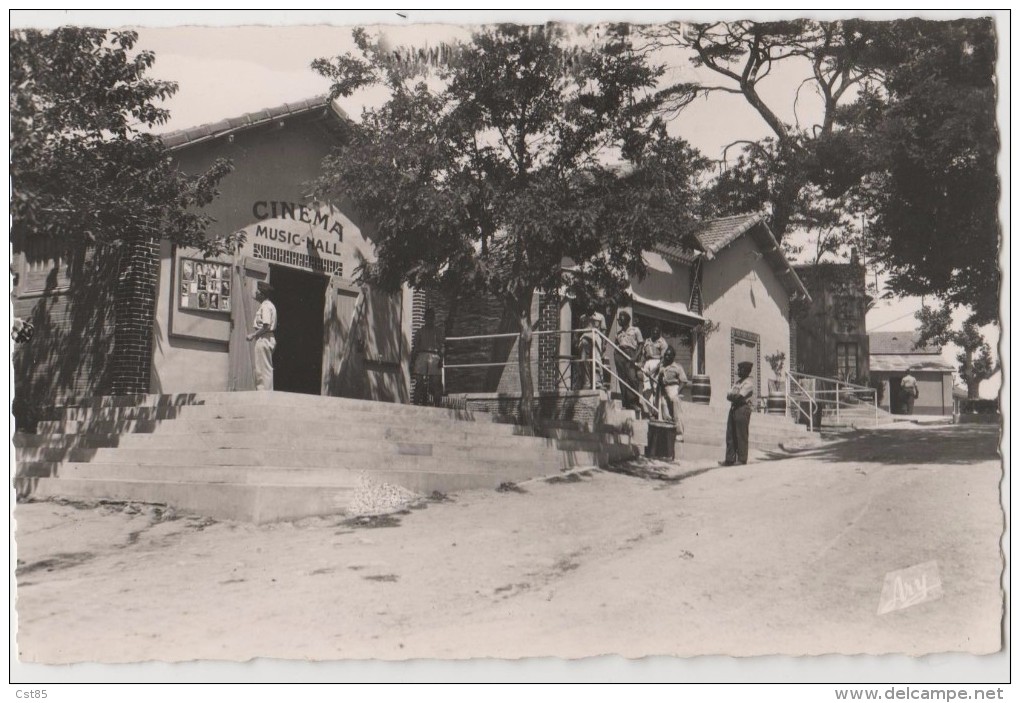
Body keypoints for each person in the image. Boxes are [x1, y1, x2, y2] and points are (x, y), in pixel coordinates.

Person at [723, 361, 755, 466]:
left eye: (741, 369)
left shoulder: (749, 383)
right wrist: (733, 396)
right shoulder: (737, 383)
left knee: (741, 434)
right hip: (734, 408)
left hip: (742, 408)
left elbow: (739, 397)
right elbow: (728, 395)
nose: (738, 371)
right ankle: (729, 459)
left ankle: (742, 459)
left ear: (746, 371)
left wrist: (733, 396)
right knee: (730, 434)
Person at [246, 281, 277, 391]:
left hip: (264, 338)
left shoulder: (266, 307)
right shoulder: (266, 306)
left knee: (263, 370)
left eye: (258, 291)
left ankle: (265, 396)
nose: (256, 293)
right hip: (266, 338)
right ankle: (263, 394)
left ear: (263, 294)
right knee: (261, 369)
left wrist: (253, 335)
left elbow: (266, 326)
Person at [412, 308, 443, 406]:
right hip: (422, 355)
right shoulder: (419, 332)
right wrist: (412, 361)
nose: (429, 320)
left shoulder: (438, 332)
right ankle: (416, 405)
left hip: (434, 355)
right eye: (427, 318)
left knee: (436, 383)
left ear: (433, 319)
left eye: (431, 318)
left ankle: (437, 406)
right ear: (425, 318)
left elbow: (442, 346)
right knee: (419, 382)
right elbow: (415, 347)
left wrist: (441, 359)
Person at [614, 311, 643, 412]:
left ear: (627, 319)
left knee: (632, 378)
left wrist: (635, 356)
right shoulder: (618, 333)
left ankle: (634, 402)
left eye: (621, 319)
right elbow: (616, 344)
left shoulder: (635, 330)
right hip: (620, 354)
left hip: (631, 353)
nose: (619, 321)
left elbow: (640, 344)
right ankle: (625, 403)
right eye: (618, 319)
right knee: (622, 378)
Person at [656, 346, 688, 431]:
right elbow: (659, 382)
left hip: (674, 388)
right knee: (665, 413)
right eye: (666, 355)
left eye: (669, 355)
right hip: (664, 389)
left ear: (673, 356)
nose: (667, 357)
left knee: (676, 413)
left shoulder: (678, 367)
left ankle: (679, 433)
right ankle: (669, 433)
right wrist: (660, 375)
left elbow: (684, 381)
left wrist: (677, 391)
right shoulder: (662, 366)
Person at [576, 306, 607, 390]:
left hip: (596, 337)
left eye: (592, 305)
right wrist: (577, 341)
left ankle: (598, 383)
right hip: (585, 337)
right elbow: (579, 331)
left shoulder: (600, 317)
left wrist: (604, 343)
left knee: (597, 359)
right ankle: (587, 383)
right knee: (584, 360)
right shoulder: (582, 317)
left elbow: (603, 331)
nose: (590, 307)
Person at [639, 326, 669, 403]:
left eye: (657, 331)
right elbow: (644, 354)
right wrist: (642, 363)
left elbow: (663, 359)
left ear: (659, 332)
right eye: (653, 331)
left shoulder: (662, 342)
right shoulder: (647, 341)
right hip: (647, 362)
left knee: (655, 386)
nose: (655, 332)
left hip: (657, 362)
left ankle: (656, 410)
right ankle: (649, 409)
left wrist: (654, 370)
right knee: (646, 387)